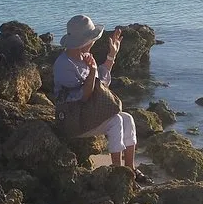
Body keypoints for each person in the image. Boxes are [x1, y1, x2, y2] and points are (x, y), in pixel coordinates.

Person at [53, 15, 146, 180]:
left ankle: (130, 169)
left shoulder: (85, 57)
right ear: (84, 41)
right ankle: (118, 174)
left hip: (86, 112)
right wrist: (92, 72)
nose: (94, 42)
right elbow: (84, 96)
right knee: (116, 121)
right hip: (72, 119)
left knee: (127, 118)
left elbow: (100, 84)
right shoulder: (64, 65)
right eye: (92, 39)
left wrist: (112, 55)